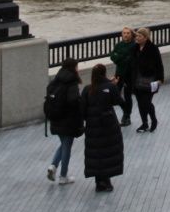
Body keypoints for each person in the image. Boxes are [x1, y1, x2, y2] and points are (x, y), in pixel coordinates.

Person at [79, 63, 123, 193]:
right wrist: (115, 85)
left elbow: (82, 110)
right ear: (105, 74)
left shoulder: (87, 89)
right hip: (108, 127)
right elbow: (117, 101)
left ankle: (99, 181)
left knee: (96, 153)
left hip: (93, 128)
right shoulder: (109, 87)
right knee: (108, 153)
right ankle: (106, 180)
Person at [46, 57, 83, 186]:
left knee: (63, 144)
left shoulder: (55, 81)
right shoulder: (72, 82)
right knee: (67, 146)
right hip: (69, 119)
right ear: (73, 68)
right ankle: (63, 175)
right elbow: (74, 101)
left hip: (55, 117)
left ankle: (53, 166)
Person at [130, 27, 164, 133]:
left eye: (140, 36)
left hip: (151, 79)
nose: (137, 38)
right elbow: (131, 64)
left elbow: (159, 64)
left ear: (146, 37)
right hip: (137, 80)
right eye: (137, 36)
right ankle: (144, 123)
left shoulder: (153, 48)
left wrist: (159, 79)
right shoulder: (134, 48)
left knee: (146, 102)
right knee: (140, 102)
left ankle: (153, 120)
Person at [108, 26, 136, 127]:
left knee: (127, 95)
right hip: (118, 73)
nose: (126, 35)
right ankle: (126, 110)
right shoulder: (119, 45)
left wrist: (119, 57)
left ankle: (127, 116)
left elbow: (129, 60)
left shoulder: (134, 46)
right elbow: (112, 56)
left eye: (128, 33)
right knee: (116, 93)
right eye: (124, 33)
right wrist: (122, 57)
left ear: (132, 34)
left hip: (129, 74)